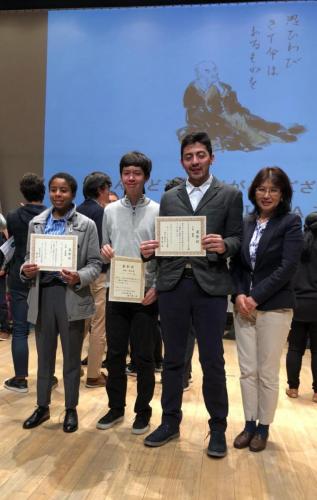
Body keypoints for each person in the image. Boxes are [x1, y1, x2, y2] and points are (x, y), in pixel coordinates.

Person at [140, 132, 243, 458]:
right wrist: (150, 251)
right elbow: (165, 241)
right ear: (182, 161)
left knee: (212, 361)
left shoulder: (229, 194)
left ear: (211, 157)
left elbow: (238, 238)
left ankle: (217, 429)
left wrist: (225, 245)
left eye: (200, 155)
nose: (195, 161)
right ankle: (170, 421)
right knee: (173, 359)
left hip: (210, 286)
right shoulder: (170, 197)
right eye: (189, 156)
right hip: (173, 286)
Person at [22, 172, 102, 433]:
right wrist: (26, 270)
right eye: (54, 190)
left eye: (64, 190)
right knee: (44, 357)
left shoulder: (86, 224)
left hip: (71, 295)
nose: (58, 195)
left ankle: (70, 409)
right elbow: (26, 258)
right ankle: (42, 406)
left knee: (70, 359)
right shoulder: (36, 222)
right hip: (43, 294)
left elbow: (95, 264)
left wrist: (79, 275)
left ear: (73, 194)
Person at [231, 167, 303, 452]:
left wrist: (255, 297)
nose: (267, 194)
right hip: (243, 307)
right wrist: (238, 294)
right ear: (254, 191)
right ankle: (249, 424)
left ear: (282, 193)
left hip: (274, 308)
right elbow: (237, 265)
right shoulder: (246, 222)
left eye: (273, 189)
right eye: (262, 189)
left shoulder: (291, 222)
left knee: (267, 373)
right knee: (247, 371)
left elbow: (287, 268)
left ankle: (263, 427)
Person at [97, 151, 159, 435]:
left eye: (136, 173)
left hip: (145, 294)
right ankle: (115, 407)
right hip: (116, 292)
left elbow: (165, 255)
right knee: (115, 355)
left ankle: (143, 411)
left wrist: (155, 287)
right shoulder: (109, 211)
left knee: (144, 357)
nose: (130, 178)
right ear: (120, 177)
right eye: (126, 173)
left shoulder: (158, 210)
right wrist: (104, 252)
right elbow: (103, 249)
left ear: (145, 176)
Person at [177, 60, 305, 152]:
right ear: (198, 73)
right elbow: (194, 112)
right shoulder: (192, 90)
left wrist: (222, 91)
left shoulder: (223, 86)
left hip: (232, 115)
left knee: (253, 121)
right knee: (243, 128)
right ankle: (278, 138)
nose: (213, 73)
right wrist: (219, 116)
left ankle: (281, 130)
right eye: (207, 71)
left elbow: (235, 105)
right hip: (210, 120)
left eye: (214, 69)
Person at [4, 174, 47, 391]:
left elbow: (12, 240)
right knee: (45, 330)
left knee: (20, 329)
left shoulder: (13, 216)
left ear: (23, 192)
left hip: (19, 275)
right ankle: (45, 377)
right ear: (44, 191)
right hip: (45, 277)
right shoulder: (51, 215)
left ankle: (20, 379)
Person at [77, 171, 112, 388]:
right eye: (108, 189)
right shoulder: (102, 213)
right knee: (99, 324)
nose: (109, 194)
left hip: (77, 275)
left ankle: (72, 367)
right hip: (98, 274)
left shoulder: (76, 211)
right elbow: (104, 247)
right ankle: (93, 374)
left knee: (79, 324)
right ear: (101, 190)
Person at [286, 212, 317, 403]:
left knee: (295, 348)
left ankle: (293, 387)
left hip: (298, 302)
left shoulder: (297, 246)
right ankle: (316, 392)